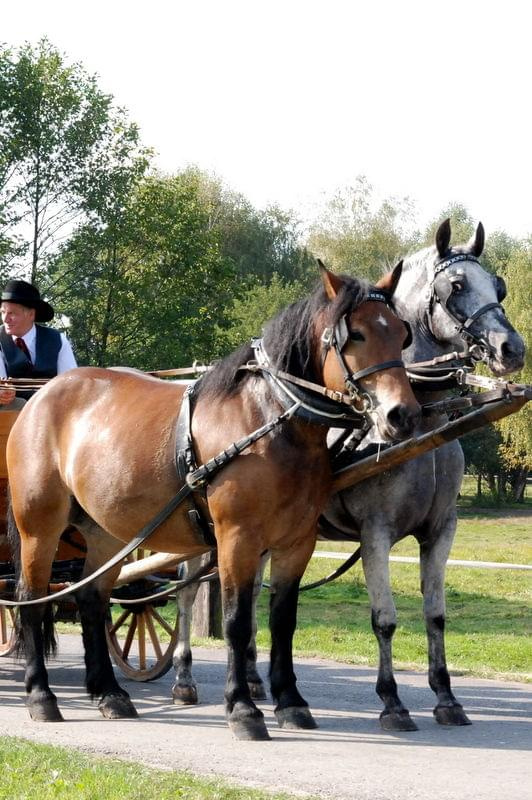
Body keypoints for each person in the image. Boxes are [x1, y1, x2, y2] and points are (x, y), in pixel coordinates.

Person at [0, 279, 77, 407]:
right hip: (10, 416)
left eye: (12, 313)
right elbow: (1, 384)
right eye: (3, 312)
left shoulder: (57, 340)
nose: (6, 319)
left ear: (31, 315)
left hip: (52, 410)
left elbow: (72, 383)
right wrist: (3, 393)